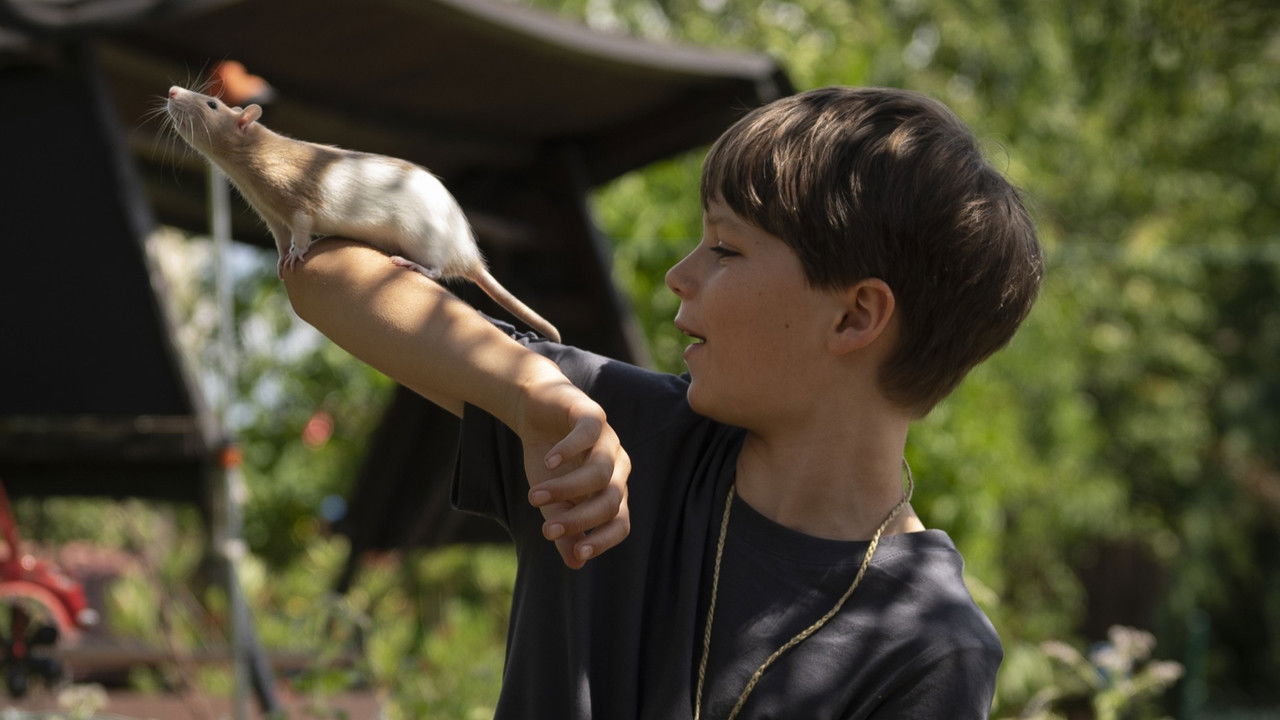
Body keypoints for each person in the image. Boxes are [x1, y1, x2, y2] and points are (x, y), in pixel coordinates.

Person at [284, 86, 1043, 719]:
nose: (682, 273)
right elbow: (318, 265)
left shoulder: (929, 645)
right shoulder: (611, 430)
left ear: (853, 317)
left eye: (726, 247)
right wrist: (529, 393)